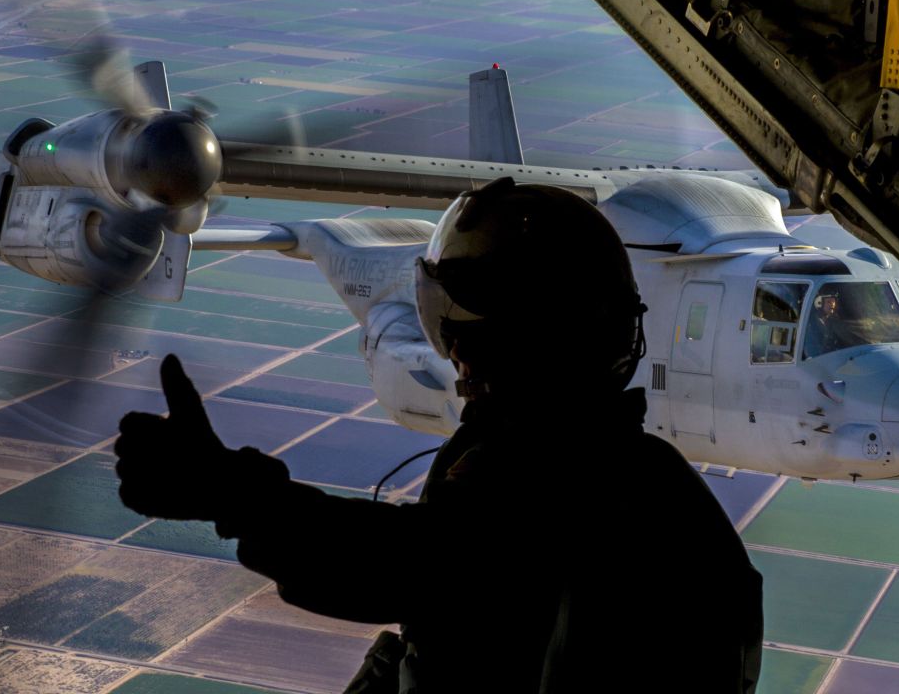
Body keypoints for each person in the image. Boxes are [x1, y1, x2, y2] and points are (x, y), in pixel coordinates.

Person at [115, 178, 763, 693]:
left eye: (471, 338)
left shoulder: (561, 491)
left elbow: (414, 566)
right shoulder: (646, 483)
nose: (458, 360)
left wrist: (232, 492)